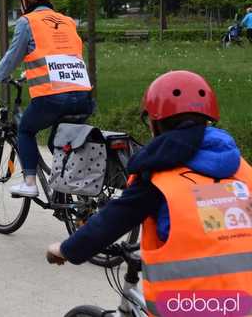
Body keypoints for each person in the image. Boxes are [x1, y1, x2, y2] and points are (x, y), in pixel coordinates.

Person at [46, 71, 252, 312]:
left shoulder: (158, 178)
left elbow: (111, 221)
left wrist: (65, 249)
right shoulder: (242, 169)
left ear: (154, 124)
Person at [0, 0, 95, 198]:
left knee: (26, 130)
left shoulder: (27, 22)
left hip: (53, 98)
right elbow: (62, 56)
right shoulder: (67, 21)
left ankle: (30, 183)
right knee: (59, 143)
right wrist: (30, 73)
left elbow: (12, 56)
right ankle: (74, 195)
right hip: (83, 97)